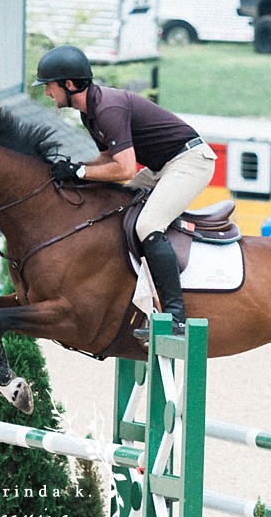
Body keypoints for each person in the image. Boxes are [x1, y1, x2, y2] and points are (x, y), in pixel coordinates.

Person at [35, 45, 216, 341]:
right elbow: (107, 160)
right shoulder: (89, 113)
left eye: (49, 86)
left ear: (69, 84)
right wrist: (74, 167)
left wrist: (79, 173)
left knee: (147, 225)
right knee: (113, 204)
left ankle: (177, 318)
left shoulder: (108, 108)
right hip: (163, 167)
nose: (46, 93)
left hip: (190, 162)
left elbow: (125, 169)